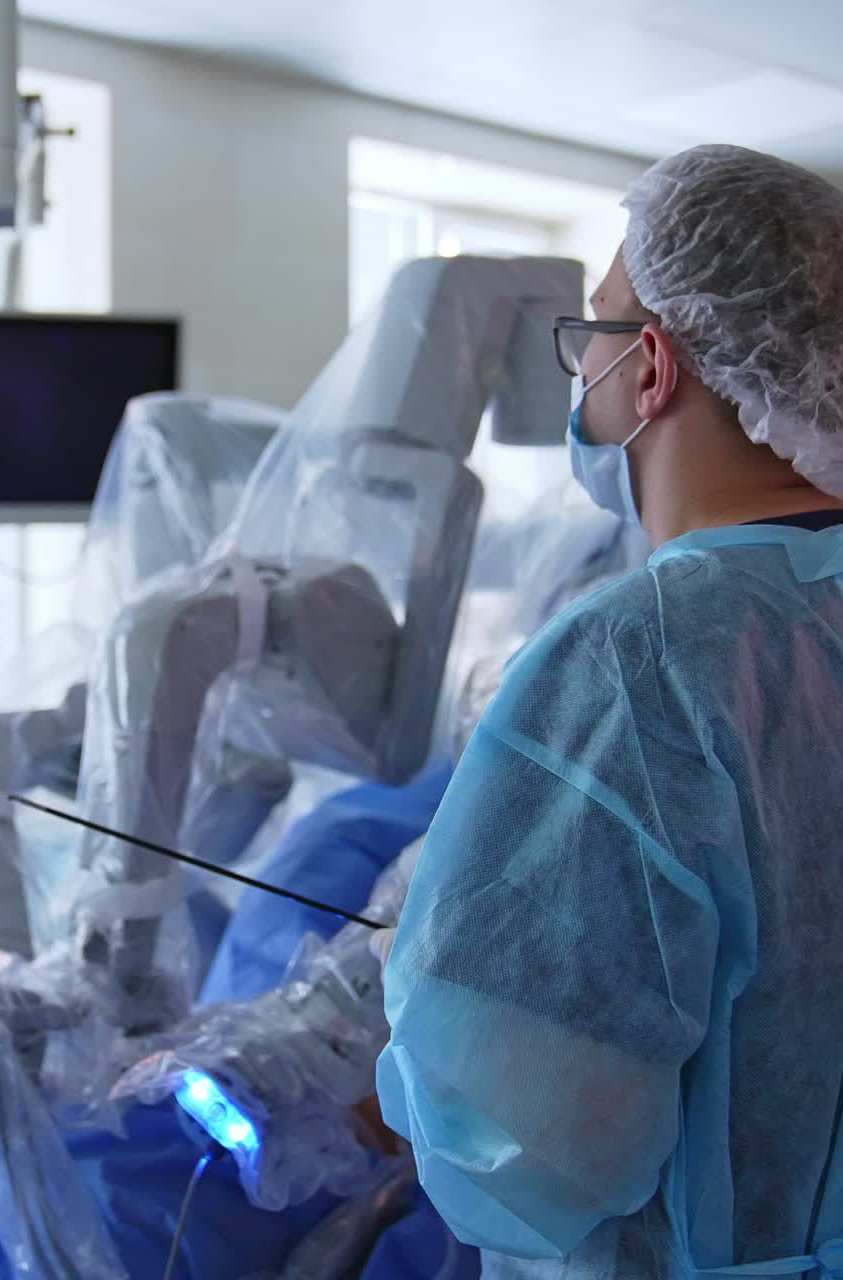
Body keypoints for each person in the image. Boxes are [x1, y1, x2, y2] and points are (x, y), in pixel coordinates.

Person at [375, 142, 843, 1279]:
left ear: (650, 369)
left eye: (593, 329)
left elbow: (527, 1153)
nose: (575, 365)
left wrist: (439, 983)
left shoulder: (641, 657)